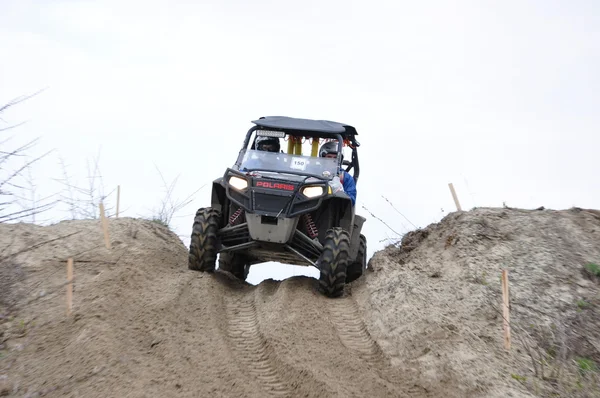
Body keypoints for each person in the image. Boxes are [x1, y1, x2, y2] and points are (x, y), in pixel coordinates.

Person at [319, 141, 357, 206]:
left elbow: (352, 200)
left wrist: (341, 193)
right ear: (322, 158)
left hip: (334, 209)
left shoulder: (345, 177)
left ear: (340, 160)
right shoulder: (314, 172)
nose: (332, 161)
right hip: (312, 204)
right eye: (329, 157)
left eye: (335, 158)